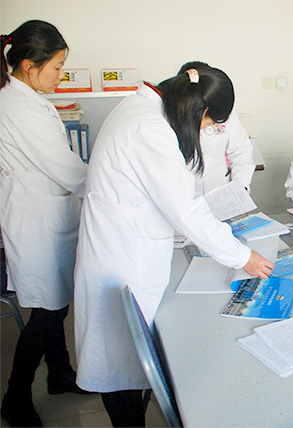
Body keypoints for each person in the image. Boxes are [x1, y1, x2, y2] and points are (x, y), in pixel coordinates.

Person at [73, 62, 273, 427]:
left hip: (122, 246)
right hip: (123, 258)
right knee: (121, 363)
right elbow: (185, 210)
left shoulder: (142, 110)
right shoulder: (150, 129)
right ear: (200, 108)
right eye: (208, 123)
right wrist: (242, 256)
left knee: (124, 359)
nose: (206, 131)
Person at [0, 20, 90, 427]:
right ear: (28, 65)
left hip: (46, 215)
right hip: (35, 221)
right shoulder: (19, 108)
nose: (60, 74)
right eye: (56, 66)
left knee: (55, 304)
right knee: (47, 312)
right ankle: (15, 398)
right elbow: (65, 168)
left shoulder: (26, 99)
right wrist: (109, 184)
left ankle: (60, 375)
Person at [178, 62, 256, 195]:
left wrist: (240, 186)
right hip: (186, 194)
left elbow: (240, 150)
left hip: (220, 192)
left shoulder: (222, 110)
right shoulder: (169, 118)